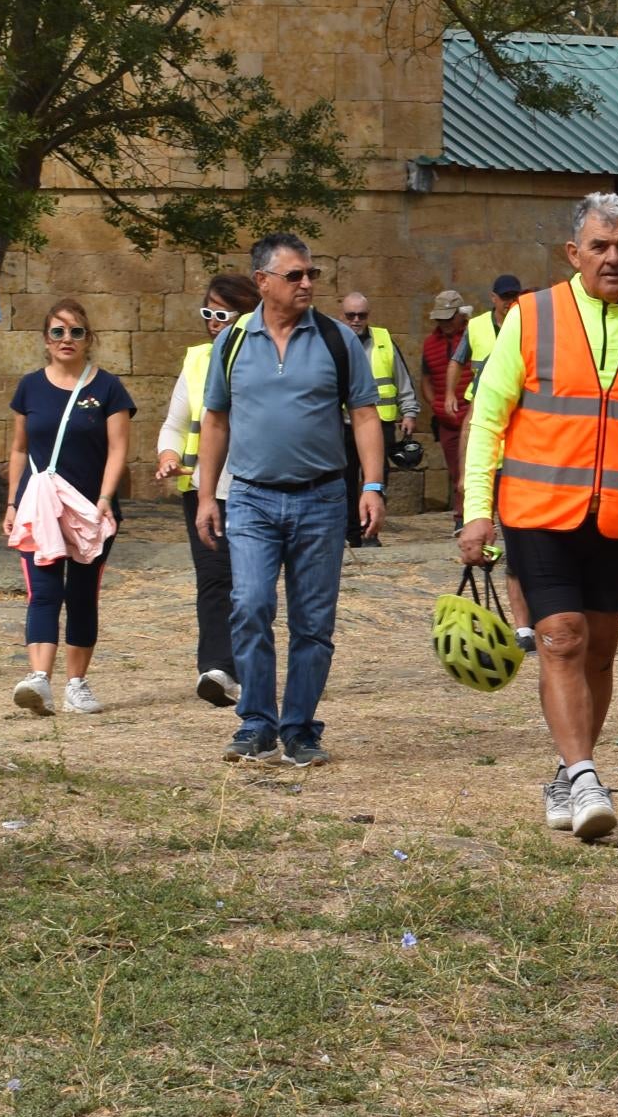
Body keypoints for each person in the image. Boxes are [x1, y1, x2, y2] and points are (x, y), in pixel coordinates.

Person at [456, 195, 618, 843]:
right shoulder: (532, 316)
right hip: (537, 512)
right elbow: (488, 417)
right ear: (573, 254)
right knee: (563, 637)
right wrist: (476, 512)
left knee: (599, 652)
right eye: (600, 246)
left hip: (617, 518)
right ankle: (583, 775)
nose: (613, 257)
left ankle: (565, 768)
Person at [191, 233, 384, 768]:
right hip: (251, 499)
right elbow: (215, 420)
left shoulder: (334, 339)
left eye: (311, 275)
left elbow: (365, 414)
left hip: (322, 498)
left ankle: (299, 727)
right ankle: (256, 721)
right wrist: (208, 495)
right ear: (262, 282)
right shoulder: (230, 344)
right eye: (295, 275)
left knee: (313, 622)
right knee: (249, 604)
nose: (307, 284)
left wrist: (371, 486)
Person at [3, 299, 133, 715]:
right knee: (42, 592)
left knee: (81, 593)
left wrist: (106, 499)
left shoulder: (108, 388)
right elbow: (19, 448)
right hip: (38, 505)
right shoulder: (29, 387)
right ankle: (39, 680)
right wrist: (11, 502)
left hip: (89, 508)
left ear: (88, 338)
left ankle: (77, 684)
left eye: (76, 332)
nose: (66, 339)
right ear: (45, 339)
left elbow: (118, 450)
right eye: (58, 331)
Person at [154, 272, 260, 707]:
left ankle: (253, 667)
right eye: (208, 313)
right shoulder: (196, 360)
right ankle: (217, 669)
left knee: (251, 586)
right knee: (214, 581)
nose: (214, 323)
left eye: (224, 314)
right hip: (204, 489)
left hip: (257, 489)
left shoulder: (268, 357)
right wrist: (167, 455)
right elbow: (175, 425)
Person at [456, 274, 534, 643]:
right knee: (517, 552)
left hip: (547, 472)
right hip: (506, 465)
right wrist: (469, 482)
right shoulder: (495, 355)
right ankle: (522, 626)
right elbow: (476, 420)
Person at [338, 291, 417, 548]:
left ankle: (370, 532)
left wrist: (409, 411)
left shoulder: (383, 340)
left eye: (362, 315)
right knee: (345, 480)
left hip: (379, 422)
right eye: (351, 315)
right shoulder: (333, 341)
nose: (356, 320)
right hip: (342, 423)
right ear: (343, 315)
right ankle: (350, 531)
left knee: (376, 480)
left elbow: (401, 378)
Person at [423, 287, 471, 514]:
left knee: (471, 470)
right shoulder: (430, 343)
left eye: (449, 318)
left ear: (461, 314)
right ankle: (461, 514)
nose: (445, 324)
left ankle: (469, 514)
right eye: (441, 319)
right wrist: (437, 404)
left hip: (471, 415)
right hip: (447, 420)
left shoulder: (474, 335)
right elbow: (426, 379)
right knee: (455, 470)